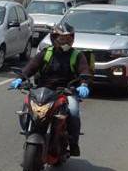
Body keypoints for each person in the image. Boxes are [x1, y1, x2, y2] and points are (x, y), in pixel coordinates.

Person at [12, 22, 91, 156]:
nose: (64, 41)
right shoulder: (46, 53)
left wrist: (84, 85)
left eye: (67, 38)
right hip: (43, 91)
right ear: (54, 38)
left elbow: (85, 71)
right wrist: (21, 78)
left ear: (72, 39)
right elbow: (32, 66)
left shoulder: (77, 55)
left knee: (73, 111)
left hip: (66, 92)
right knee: (27, 106)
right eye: (61, 38)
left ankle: (73, 143)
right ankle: (29, 130)